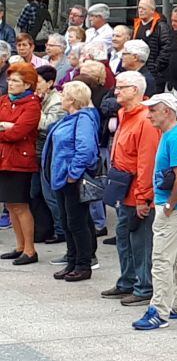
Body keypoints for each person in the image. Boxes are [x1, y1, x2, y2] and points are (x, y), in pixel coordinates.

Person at [131, 93, 177, 330]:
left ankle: (159, 311)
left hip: (173, 206)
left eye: (153, 110)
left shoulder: (175, 137)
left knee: (161, 259)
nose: (149, 115)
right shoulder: (174, 134)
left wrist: (169, 205)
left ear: (167, 111)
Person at [99, 71, 162, 305]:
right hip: (123, 186)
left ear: (135, 90)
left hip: (137, 190)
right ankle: (127, 281)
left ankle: (144, 287)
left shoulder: (145, 119)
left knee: (141, 240)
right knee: (124, 237)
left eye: (121, 88)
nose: (115, 92)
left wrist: (144, 198)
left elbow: (147, 162)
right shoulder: (125, 113)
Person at [42, 80, 98, 279]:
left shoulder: (83, 119)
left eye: (64, 95)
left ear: (72, 100)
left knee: (77, 222)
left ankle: (83, 264)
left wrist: (73, 174)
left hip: (70, 179)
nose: (61, 98)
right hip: (60, 178)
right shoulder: (69, 118)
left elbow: (86, 149)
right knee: (67, 222)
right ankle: (72, 261)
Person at [0, 63, 42, 266]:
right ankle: (19, 246)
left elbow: (18, 133)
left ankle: (30, 249)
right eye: (10, 80)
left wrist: (8, 128)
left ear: (27, 84)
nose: (10, 84)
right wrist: (5, 127)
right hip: (3, 158)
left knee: (20, 205)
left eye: (15, 81)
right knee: (10, 205)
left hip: (20, 160)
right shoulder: (4, 101)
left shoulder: (32, 104)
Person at [32, 65, 66, 243]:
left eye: (38, 82)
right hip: (38, 150)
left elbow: (47, 125)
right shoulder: (43, 98)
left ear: (50, 83)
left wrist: (33, 108)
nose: (34, 85)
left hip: (50, 151)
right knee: (36, 193)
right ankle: (45, 228)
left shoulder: (57, 101)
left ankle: (61, 230)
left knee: (50, 194)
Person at [132, 0, 170, 93]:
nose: (140, 11)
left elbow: (166, 48)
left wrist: (156, 66)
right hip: (138, 70)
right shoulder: (137, 25)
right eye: (139, 8)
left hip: (155, 73)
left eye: (143, 8)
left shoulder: (161, 26)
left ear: (152, 10)